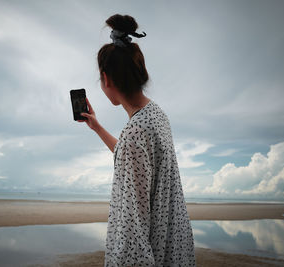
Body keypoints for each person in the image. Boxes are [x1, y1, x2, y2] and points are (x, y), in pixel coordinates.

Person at [78, 14, 196, 267]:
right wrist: (97, 127)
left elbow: (134, 225)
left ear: (106, 78)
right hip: (175, 248)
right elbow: (132, 157)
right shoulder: (156, 115)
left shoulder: (136, 132)